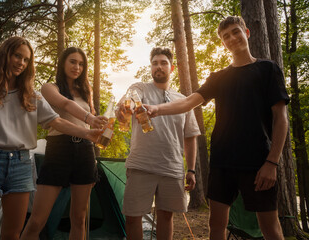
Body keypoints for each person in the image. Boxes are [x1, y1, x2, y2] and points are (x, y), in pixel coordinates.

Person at [145, 16, 289, 240]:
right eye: (226, 36)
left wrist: (272, 162)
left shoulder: (267, 69)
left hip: (258, 162)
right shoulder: (218, 77)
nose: (232, 38)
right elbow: (187, 102)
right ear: (222, 43)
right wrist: (156, 109)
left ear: (247, 33)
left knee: (270, 228)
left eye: (235, 32)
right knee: (216, 225)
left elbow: (281, 118)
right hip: (222, 162)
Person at [0, 37, 101, 240]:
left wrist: (88, 133)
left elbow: (57, 122)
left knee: (12, 234)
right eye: (17, 56)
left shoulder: (32, 96)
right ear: (4, 55)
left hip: (21, 165)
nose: (21, 63)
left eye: (25, 60)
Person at [20, 47, 107, 240]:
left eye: (81, 64)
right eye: (73, 62)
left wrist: (100, 122)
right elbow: (66, 104)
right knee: (37, 219)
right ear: (63, 63)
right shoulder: (50, 87)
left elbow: (90, 119)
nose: (77, 67)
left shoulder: (86, 91)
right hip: (59, 149)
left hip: (85, 150)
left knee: (79, 218)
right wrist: (89, 118)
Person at [116, 47, 201, 240]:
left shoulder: (184, 101)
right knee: (132, 217)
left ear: (172, 68)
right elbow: (129, 100)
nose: (159, 67)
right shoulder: (141, 88)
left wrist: (192, 169)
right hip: (141, 166)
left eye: (163, 63)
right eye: (155, 63)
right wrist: (125, 108)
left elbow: (190, 136)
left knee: (166, 217)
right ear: (151, 67)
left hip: (172, 169)